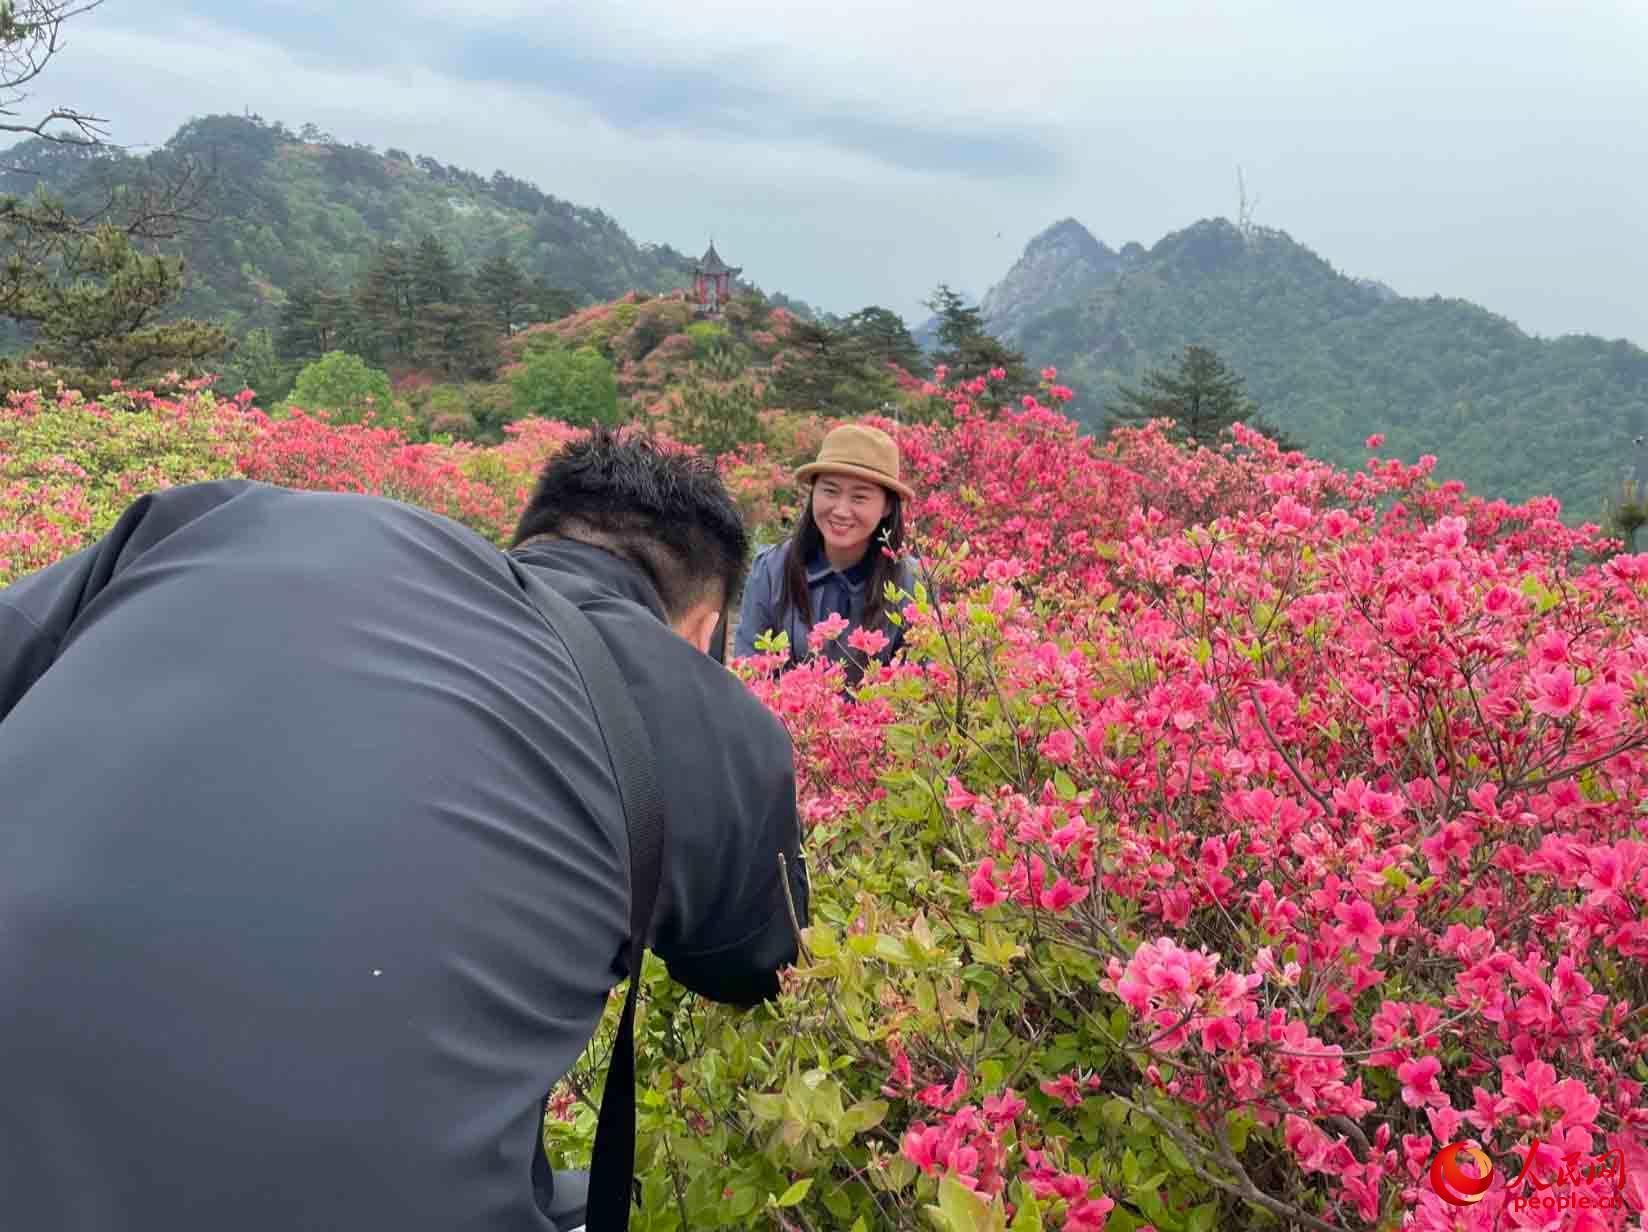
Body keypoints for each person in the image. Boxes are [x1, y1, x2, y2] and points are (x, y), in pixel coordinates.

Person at [0, 428, 809, 1231]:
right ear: (705, 630)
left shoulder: (211, 518)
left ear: (525, 542)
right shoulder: (707, 712)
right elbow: (761, 967)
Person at [733, 422, 920, 680]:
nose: (841, 510)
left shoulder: (911, 582)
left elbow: (922, 686)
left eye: (859, 497)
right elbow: (747, 675)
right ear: (813, 493)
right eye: (830, 491)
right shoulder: (771, 570)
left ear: (887, 506)